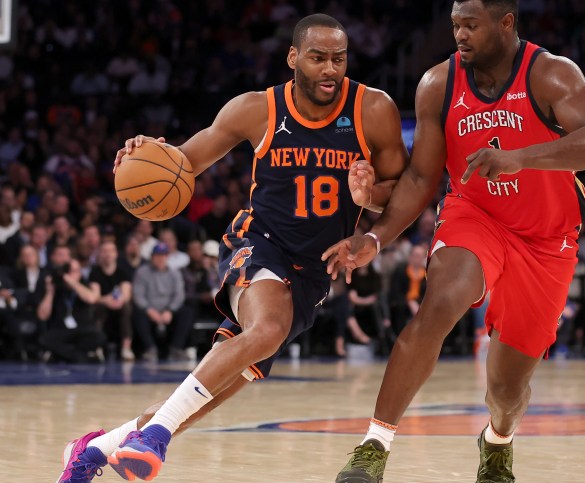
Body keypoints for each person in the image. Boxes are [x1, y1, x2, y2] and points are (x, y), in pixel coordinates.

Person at [56, 13, 407, 483]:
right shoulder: (256, 109)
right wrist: (146, 153)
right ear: (293, 57)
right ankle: (153, 438)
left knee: (215, 388)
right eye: (318, 57)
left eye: (338, 59)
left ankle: (94, 449)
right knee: (267, 329)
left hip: (315, 270)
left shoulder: (373, 109)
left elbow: (400, 193)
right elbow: (184, 161)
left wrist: (369, 198)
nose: (330, 69)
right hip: (259, 242)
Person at [322, 1, 585, 481]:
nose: (459, 35)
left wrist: (521, 158)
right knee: (441, 302)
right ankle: (373, 447)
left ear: (506, 23)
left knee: (507, 390)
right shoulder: (437, 84)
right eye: (455, 25)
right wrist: (375, 238)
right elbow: (422, 176)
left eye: (471, 26)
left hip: (547, 239)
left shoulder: (549, 74)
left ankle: (497, 440)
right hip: (475, 214)